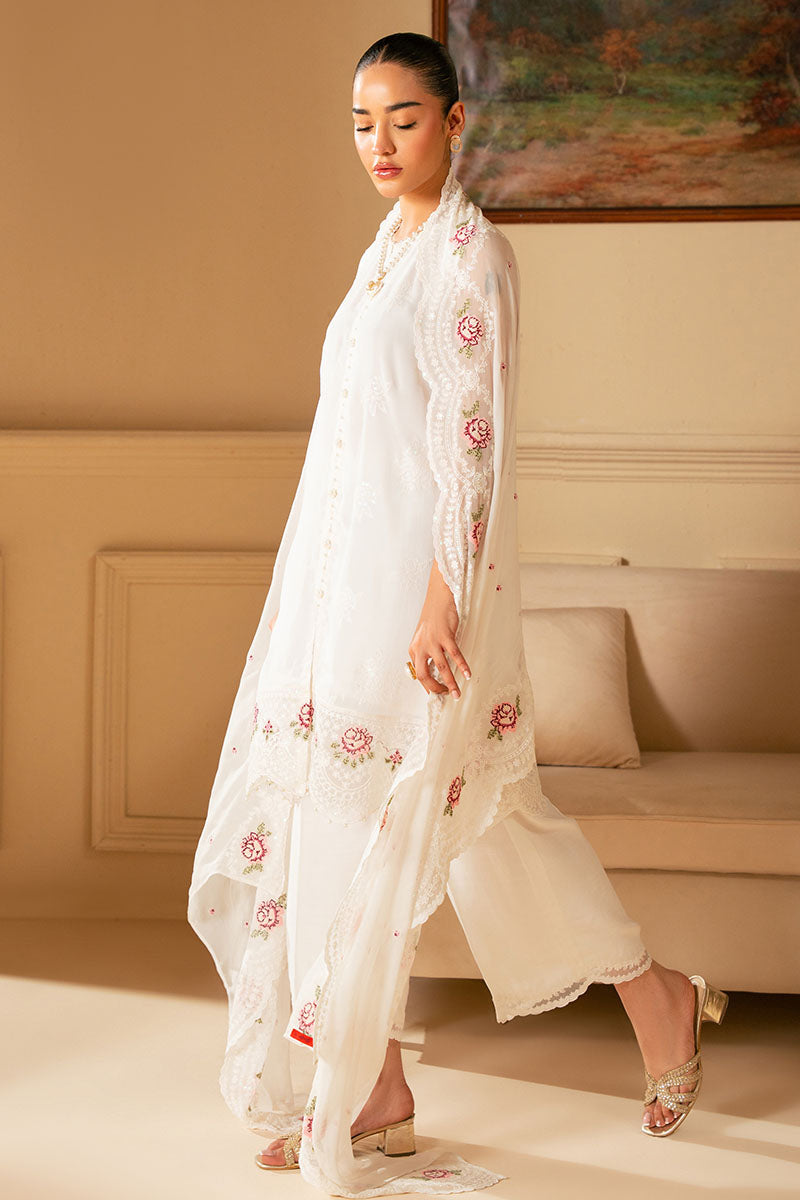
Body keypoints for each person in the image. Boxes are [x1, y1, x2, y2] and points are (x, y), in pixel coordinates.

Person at [187, 31, 728, 1197]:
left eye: (402, 119)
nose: (378, 143)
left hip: (421, 599)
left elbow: (469, 451)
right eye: (360, 122)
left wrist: (440, 606)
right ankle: (380, 1085)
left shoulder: (469, 257)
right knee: (412, 825)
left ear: (453, 123)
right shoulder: (385, 250)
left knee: (454, 820)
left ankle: (650, 999)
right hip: (341, 595)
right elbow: (354, 449)